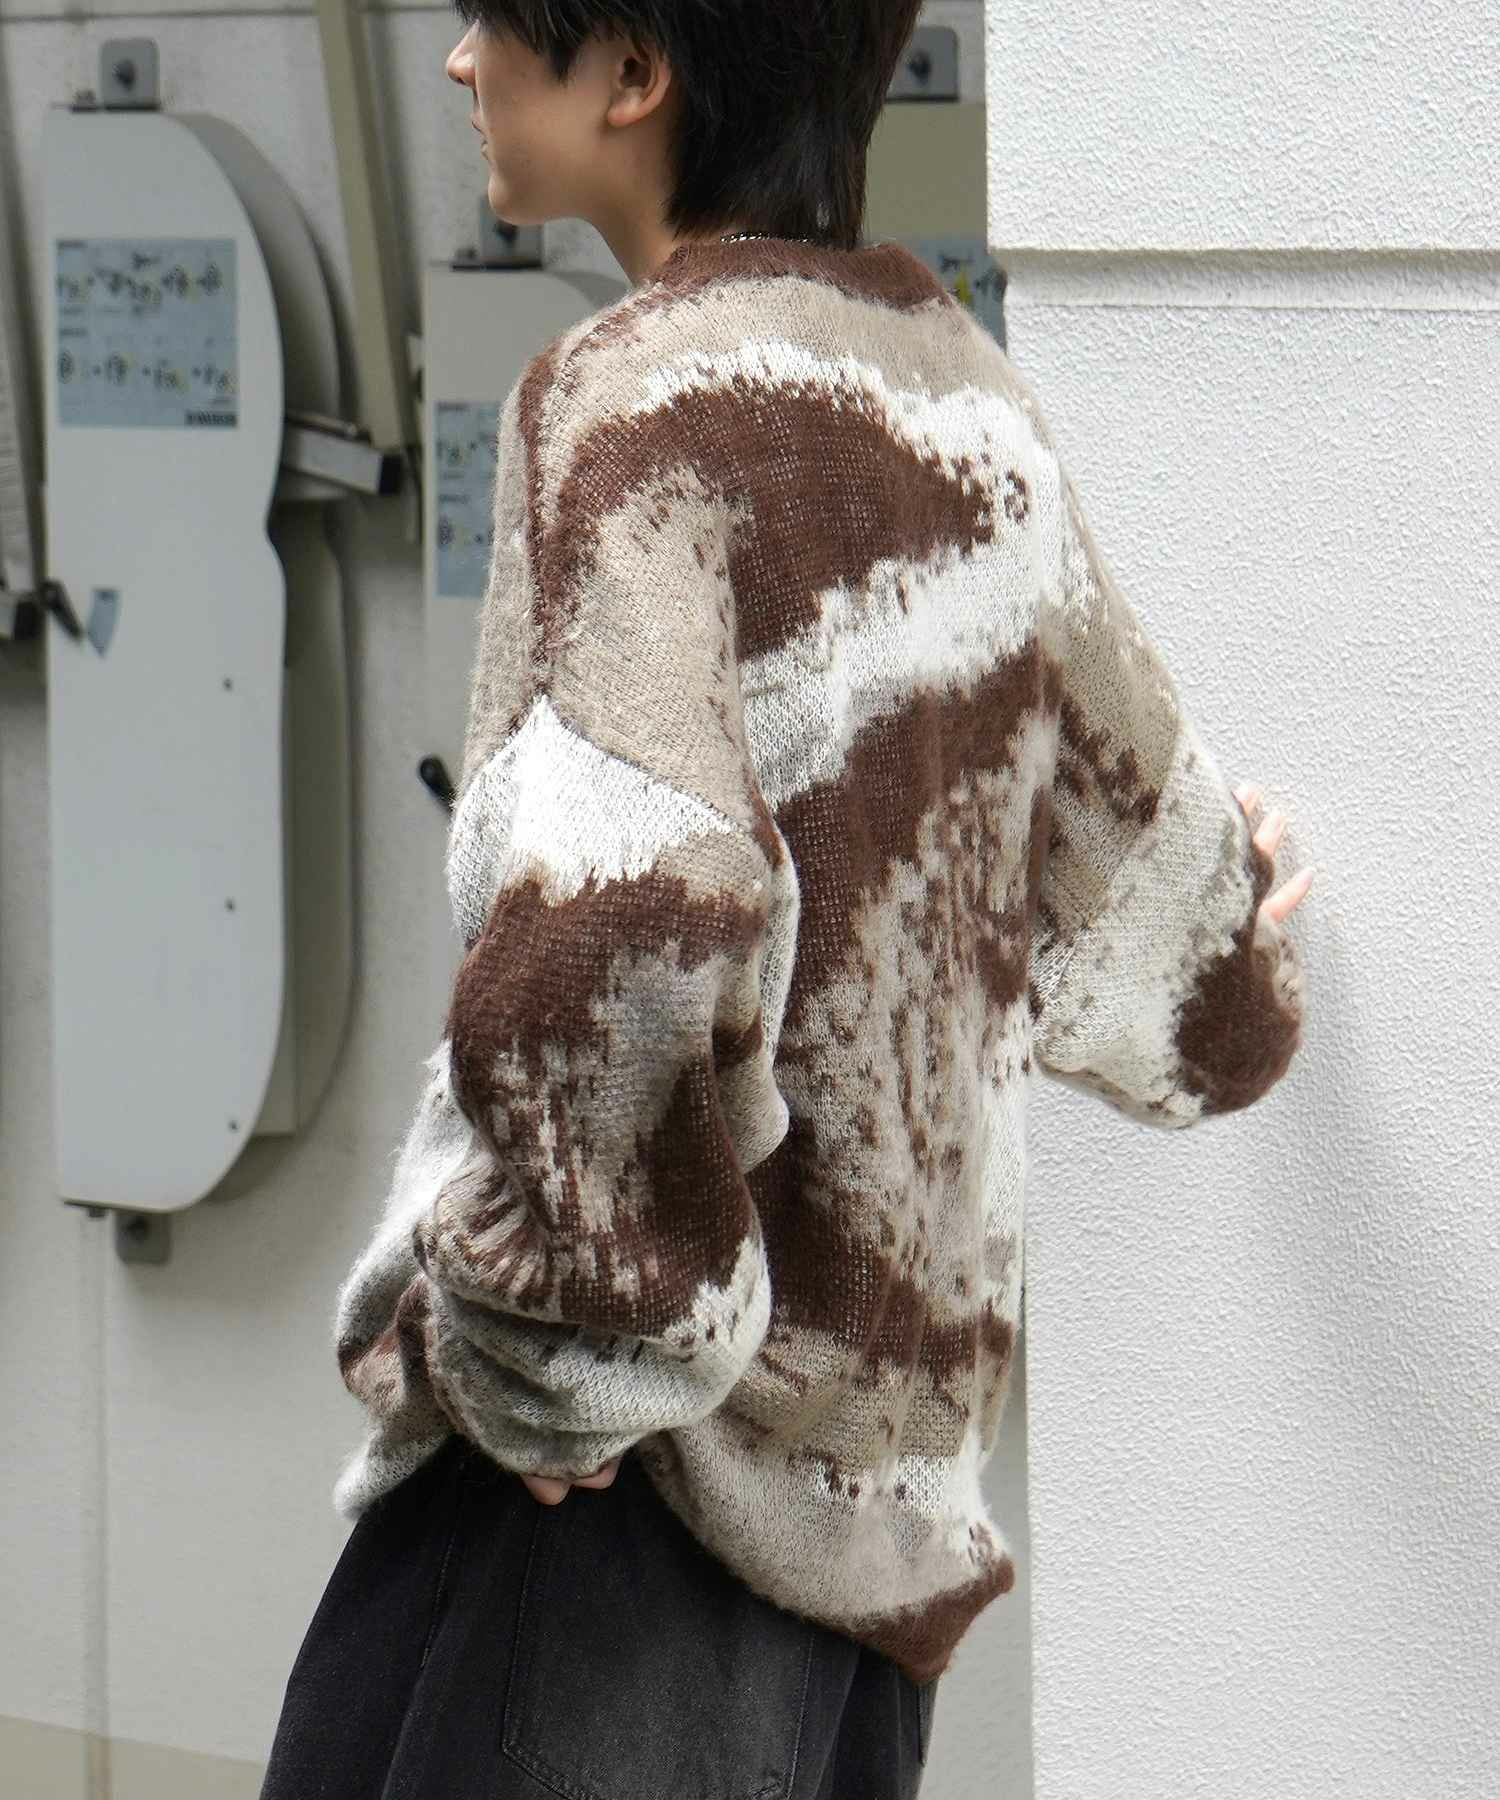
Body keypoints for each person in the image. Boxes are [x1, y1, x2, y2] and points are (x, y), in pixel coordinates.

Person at [258, 4, 1313, 1797]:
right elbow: (1187, 961)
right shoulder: (972, 410)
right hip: (868, 1577)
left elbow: (614, 932)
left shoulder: (629, 401)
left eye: (496, 20)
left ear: (635, 74)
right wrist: (1245, 945)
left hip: (616, 1539)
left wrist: (564, 1349)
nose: (457, 61)